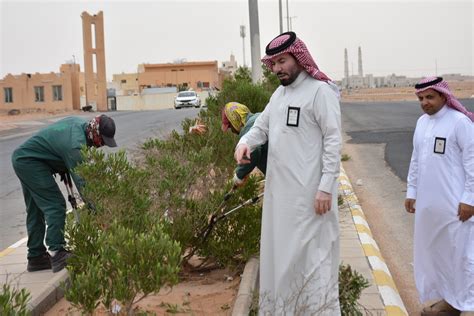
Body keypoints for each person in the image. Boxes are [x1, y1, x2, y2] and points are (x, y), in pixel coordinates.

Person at [234, 31, 342, 314]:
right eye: (274, 63)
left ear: (298, 57)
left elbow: (333, 141)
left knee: (312, 266)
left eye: (283, 61)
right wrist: (244, 143)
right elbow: (261, 127)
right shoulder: (279, 95)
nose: (278, 68)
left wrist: (326, 187)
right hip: (279, 202)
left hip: (311, 201)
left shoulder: (321, 91)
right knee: (281, 264)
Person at [12, 114, 117, 273]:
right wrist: (99, 213)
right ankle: (57, 251)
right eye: (101, 140)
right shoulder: (75, 146)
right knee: (55, 205)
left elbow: (56, 146)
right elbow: (84, 184)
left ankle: (36, 257)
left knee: (35, 210)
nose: (101, 144)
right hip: (31, 163)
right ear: (94, 133)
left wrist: (60, 163)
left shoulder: (80, 125)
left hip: (24, 159)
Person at [404, 77, 474, 316]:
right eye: (421, 98)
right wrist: (411, 191)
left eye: (430, 97)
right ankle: (450, 301)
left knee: (461, 256)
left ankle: (467, 305)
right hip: (429, 206)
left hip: (456, 205)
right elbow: (416, 160)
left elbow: (472, 162)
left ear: (444, 96)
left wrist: (470, 199)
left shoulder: (459, 122)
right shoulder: (422, 123)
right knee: (438, 256)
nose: (425, 102)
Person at [189, 102, 268, 186]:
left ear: (235, 120)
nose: (232, 131)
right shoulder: (260, 117)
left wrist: (239, 175)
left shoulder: (248, 129)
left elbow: (254, 151)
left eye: (230, 126)